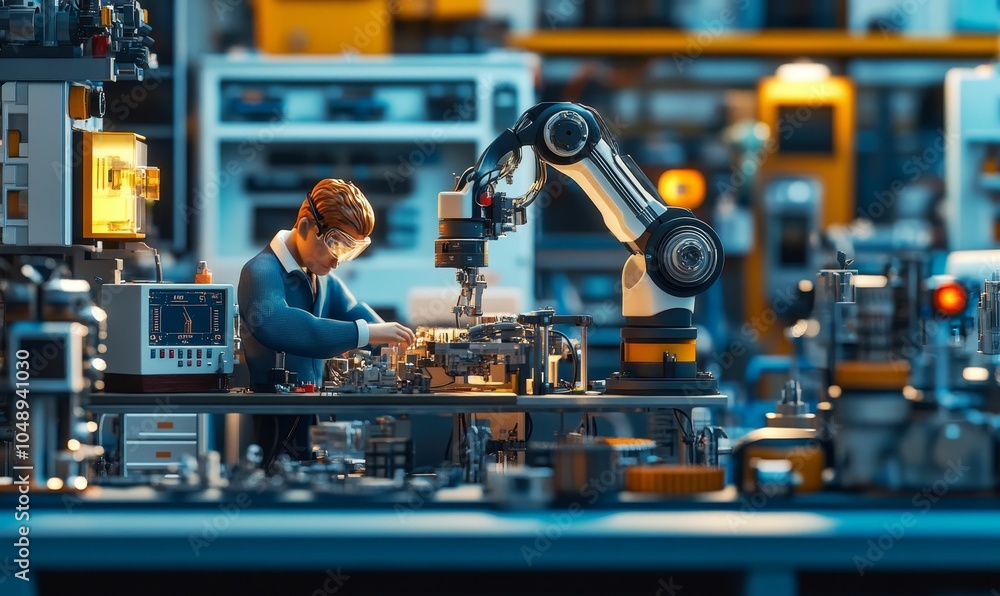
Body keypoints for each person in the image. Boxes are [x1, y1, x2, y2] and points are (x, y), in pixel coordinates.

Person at [238, 178, 415, 469]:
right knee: (273, 478)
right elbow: (280, 324)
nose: (337, 261)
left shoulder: (320, 279)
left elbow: (354, 311)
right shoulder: (261, 272)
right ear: (307, 227)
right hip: (272, 410)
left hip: (312, 405)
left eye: (348, 251)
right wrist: (365, 332)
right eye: (335, 244)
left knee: (312, 473)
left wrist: (401, 342)